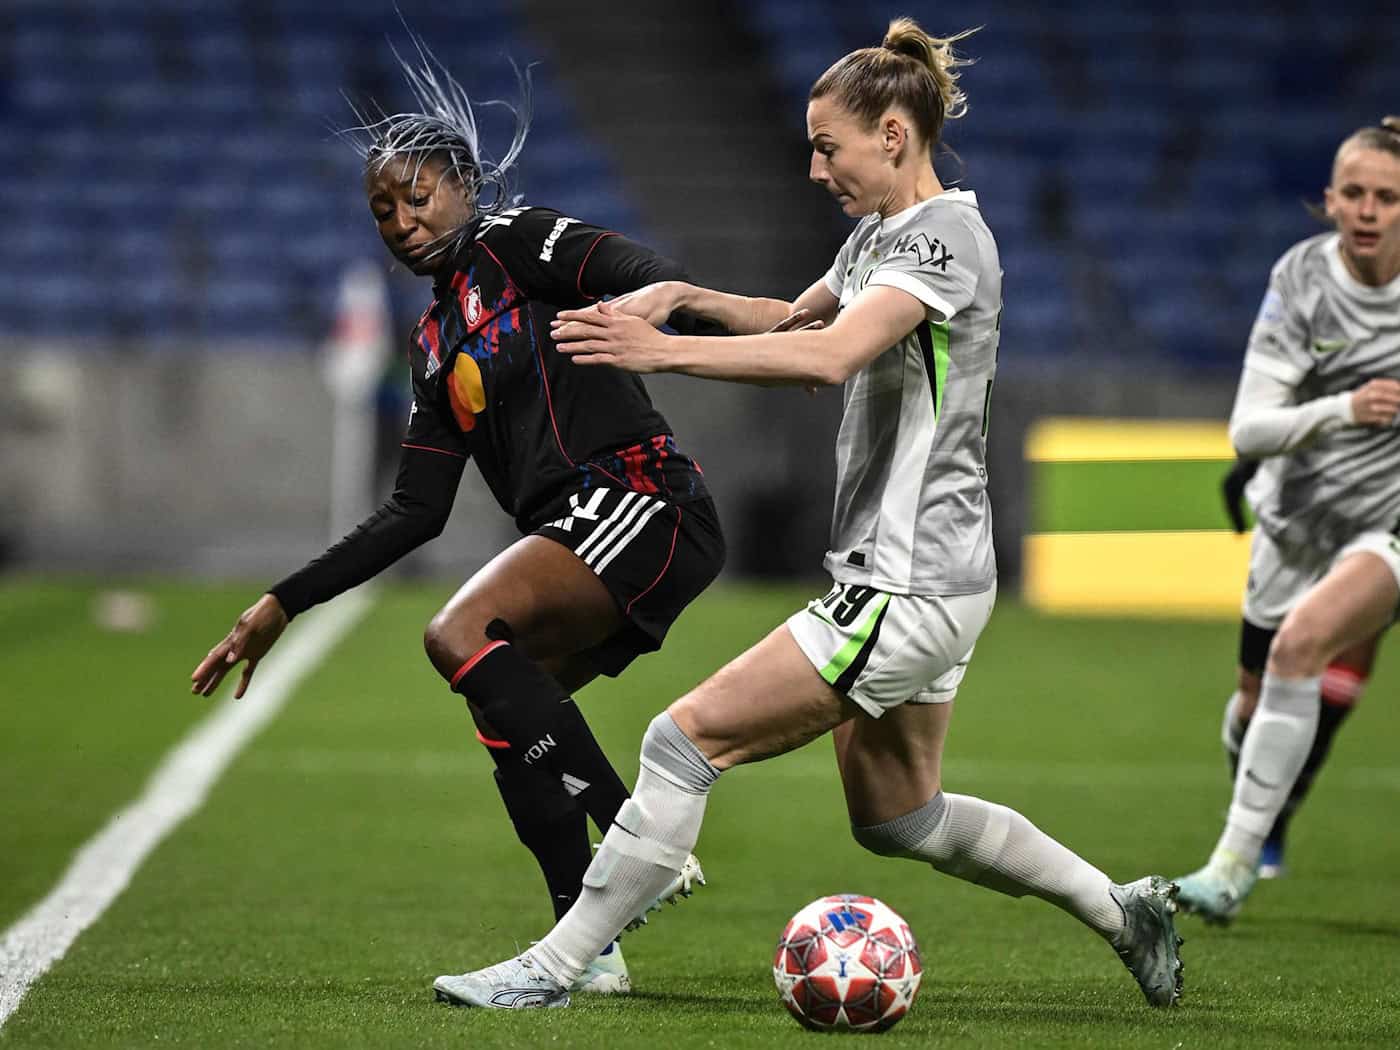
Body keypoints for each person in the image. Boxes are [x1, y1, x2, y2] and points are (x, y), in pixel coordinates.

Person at [431, 19, 1184, 1012]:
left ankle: (556, 967)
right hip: (924, 574)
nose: (814, 165)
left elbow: (827, 358)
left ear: (891, 135)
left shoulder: (943, 238)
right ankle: (1121, 909)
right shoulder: (883, 235)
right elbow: (795, 319)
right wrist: (679, 298)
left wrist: (657, 355)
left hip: (903, 583)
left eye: (827, 145)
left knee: (679, 740)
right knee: (899, 817)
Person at [189, 37, 727, 993]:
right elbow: (413, 512)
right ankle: (586, 944)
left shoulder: (517, 242)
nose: (400, 222)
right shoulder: (434, 341)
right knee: (499, 705)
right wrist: (281, 601)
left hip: (642, 497)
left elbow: (638, 268)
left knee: (456, 631)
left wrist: (674, 313)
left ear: (465, 184)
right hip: (581, 526)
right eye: (382, 210)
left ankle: (634, 835)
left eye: (417, 196)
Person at [1174, 117, 1400, 922]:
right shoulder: (1302, 280)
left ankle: (1230, 869)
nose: (1369, 210)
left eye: (1388, 196)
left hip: (1387, 524)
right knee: (1250, 708)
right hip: (1295, 521)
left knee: (1303, 646)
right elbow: (1249, 430)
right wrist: (1345, 406)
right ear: (1330, 201)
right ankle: (1263, 819)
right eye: (1355, 194)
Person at [1218, 458, 1378, 879]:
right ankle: (1251, 817)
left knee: (1331, 704)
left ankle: (1272, 826)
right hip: (1293, 551)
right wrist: (1243, 476)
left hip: (1370, 546)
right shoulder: (1325, 406)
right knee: (1253, 703)